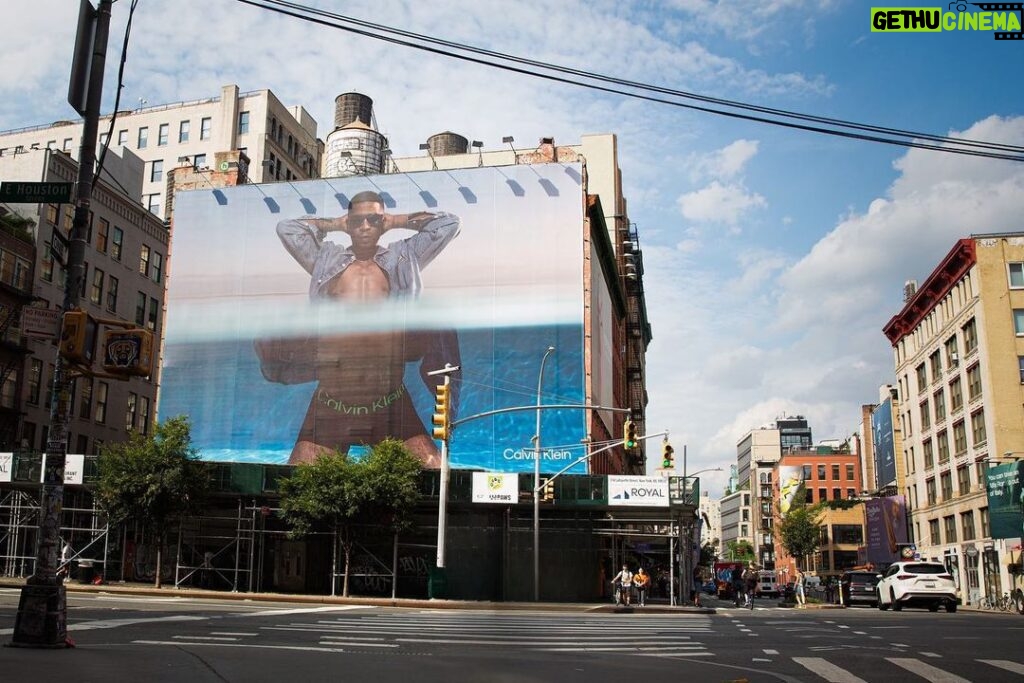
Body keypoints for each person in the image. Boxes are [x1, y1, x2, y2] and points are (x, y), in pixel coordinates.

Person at [255, 191, 461, 467]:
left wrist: (395, 220)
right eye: (357, 221)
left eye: (374, 220)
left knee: (435, 476)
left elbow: (449, 224)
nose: (365, 227)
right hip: (332, 406)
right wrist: (336, 224)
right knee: (298, 484)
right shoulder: (326, 260)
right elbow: (288, 228)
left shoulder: (403, 257)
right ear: (349, 223)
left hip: (389, 404)